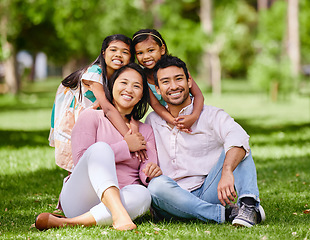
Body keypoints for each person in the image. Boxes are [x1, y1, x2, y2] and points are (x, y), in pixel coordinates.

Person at [35, 63, 162, 231]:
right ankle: (117, 213)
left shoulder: (145, 130)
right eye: (123, 83)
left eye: (136, 86)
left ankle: (69, 222)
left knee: (143, 195)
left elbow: (147, 167)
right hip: (81, 197)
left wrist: (151, 170)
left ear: (141, 96)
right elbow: (82, 160)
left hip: (123, 197)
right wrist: (125, 147)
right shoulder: (91, 117)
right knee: (100, 149)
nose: (129, 89)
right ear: (111, 86)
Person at [145, 55, 266, 227]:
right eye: (165, 82)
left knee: (238, 144)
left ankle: (249, 206)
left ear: (189, 81)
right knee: (156, 186)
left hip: (211, 190)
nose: (173, 86)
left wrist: (227, 170)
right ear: (157, 88)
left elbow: (238, 136)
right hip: (173, 196)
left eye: (179, 79)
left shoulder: (210, 115)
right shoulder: (152, 120)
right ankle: (226, 213)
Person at [49, 34, 146, 173]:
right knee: (77, 154)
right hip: (73, 111)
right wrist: (128, 138)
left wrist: (134, 130)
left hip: (93, 111)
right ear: (103, 53)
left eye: (125, 52)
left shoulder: (121, 77)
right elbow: (107, 108)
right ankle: (72, 185)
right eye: (113, 50)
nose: (118, 55)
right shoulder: (95, 72)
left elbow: (129, 110)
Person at [132, 29, 204, 133]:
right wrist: (175, 122)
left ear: (162, 49)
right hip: (168, 117)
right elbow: (156, 105)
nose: (146, 56)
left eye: (151, 50)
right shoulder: (142, 76)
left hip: (189, 111)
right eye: (140, 53)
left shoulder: (175, 67)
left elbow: (198, 95)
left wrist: (193, 116)